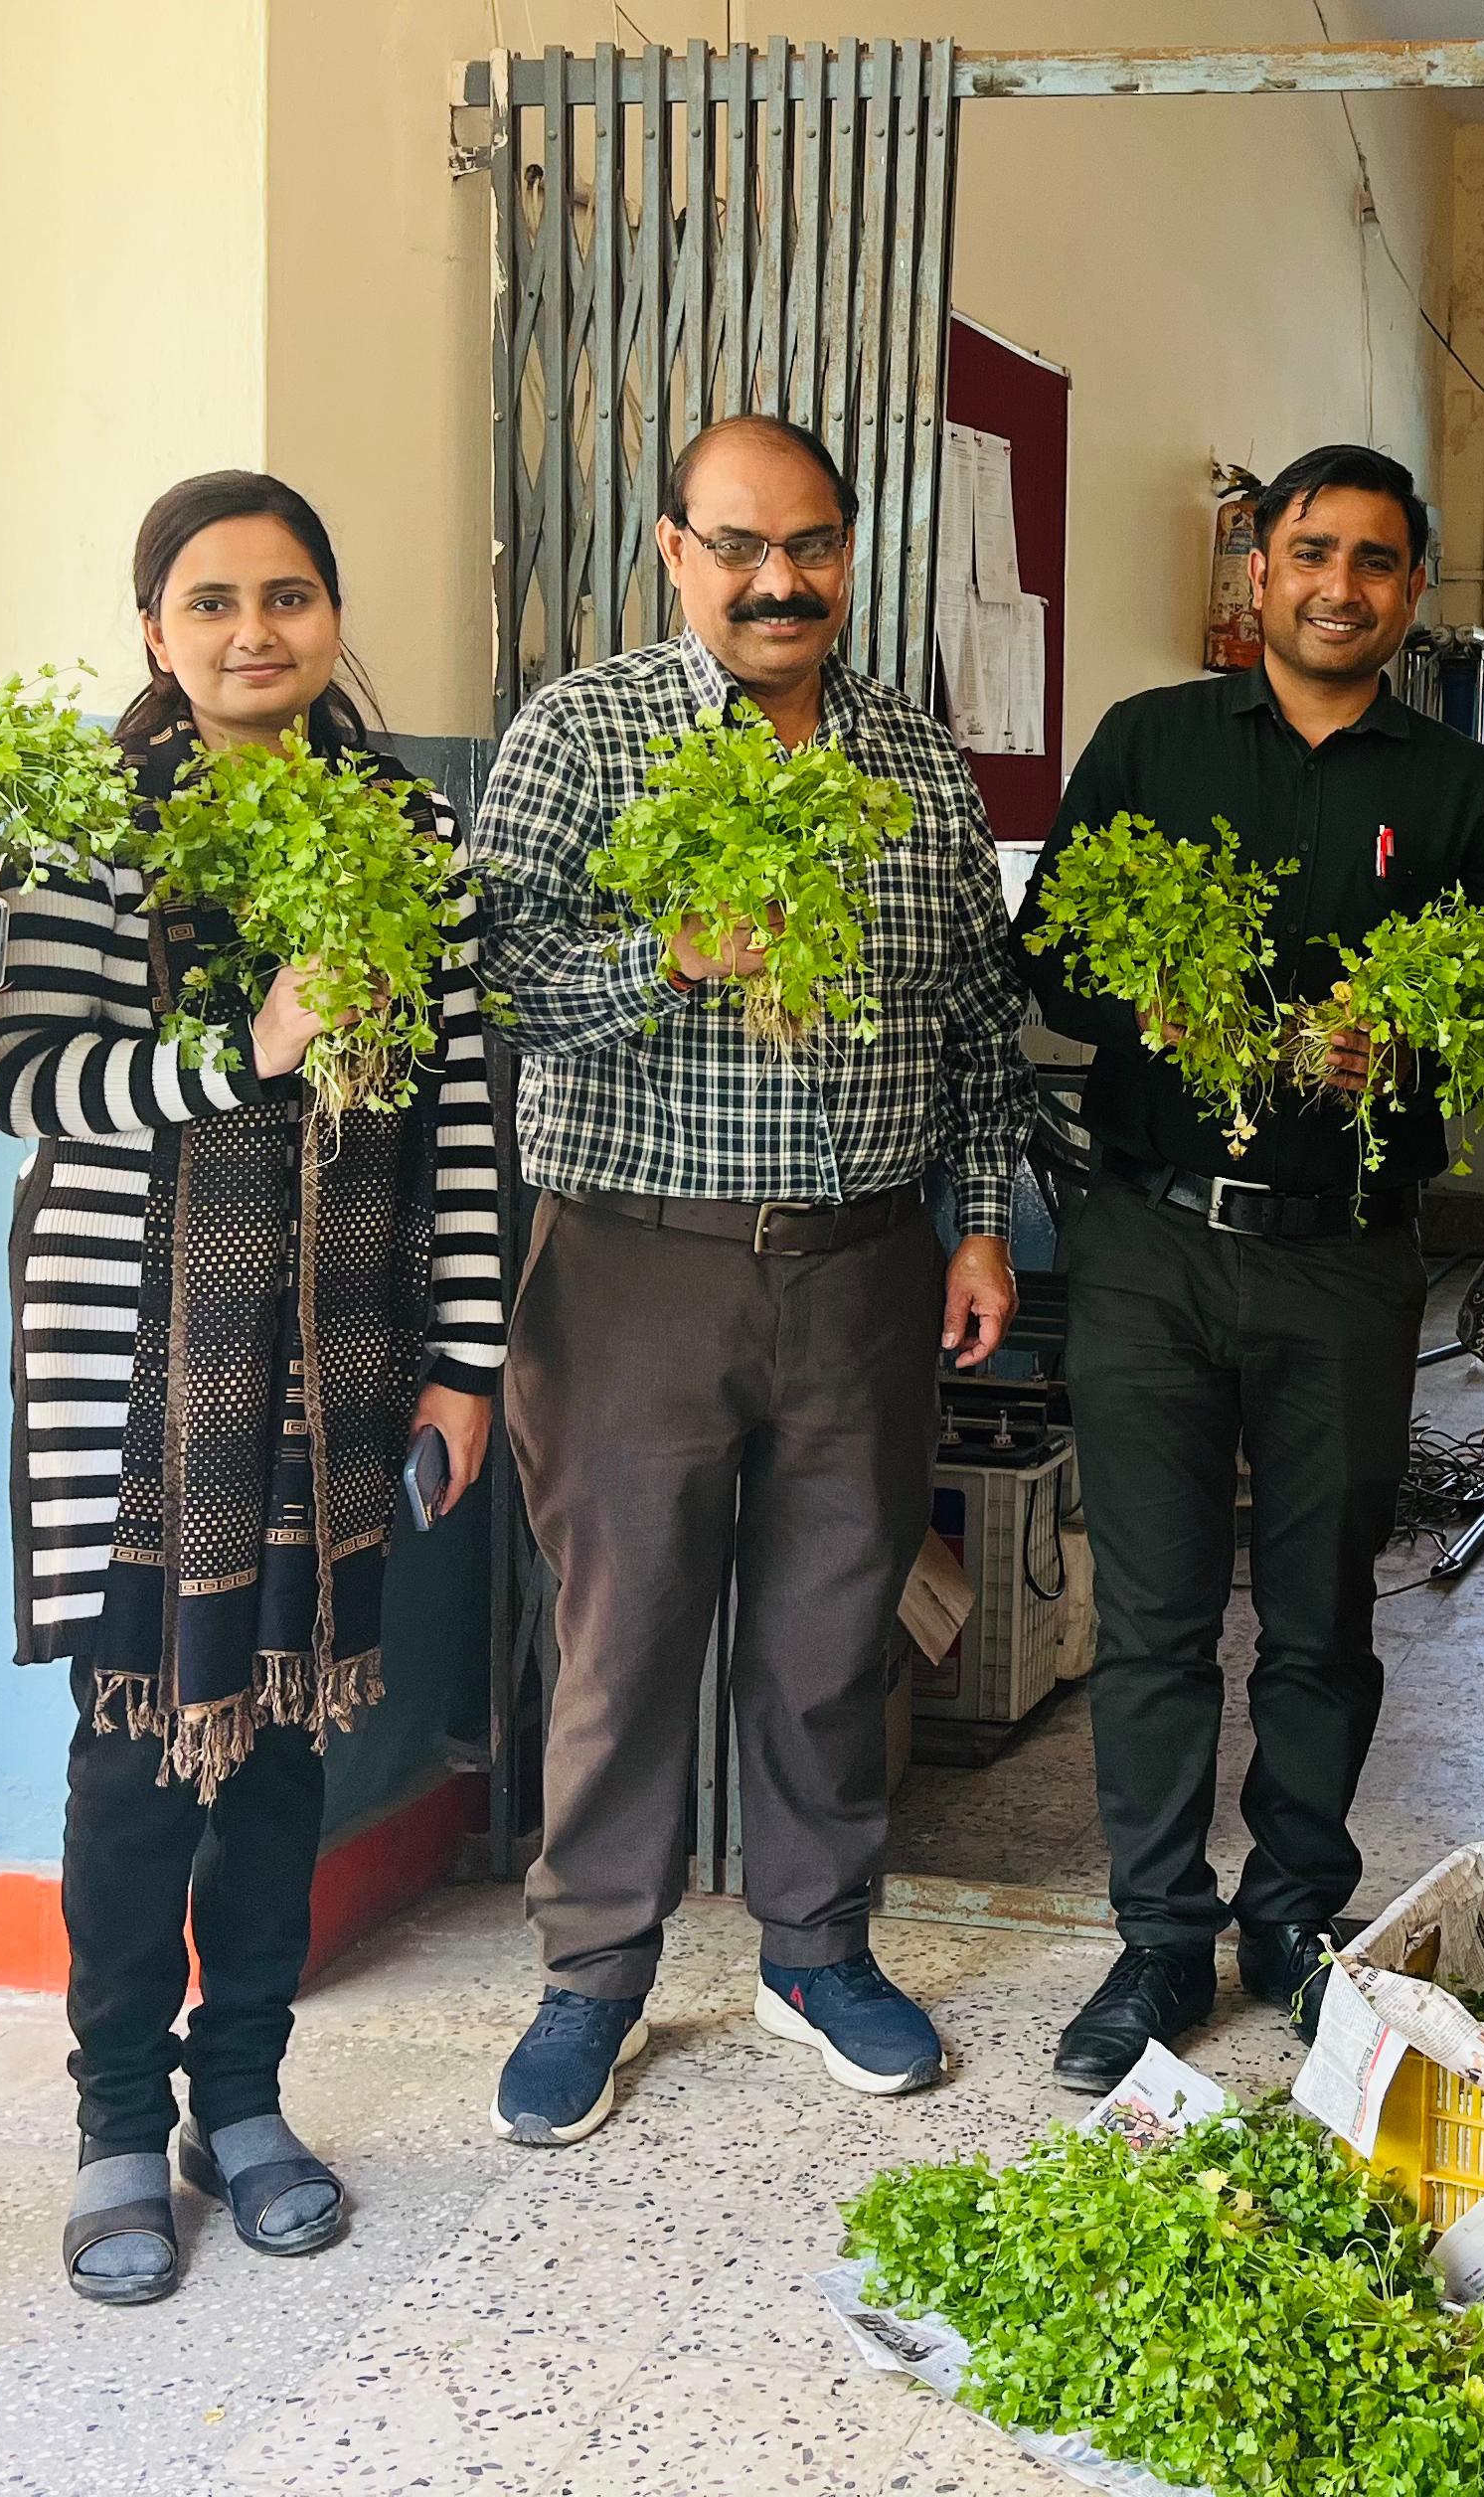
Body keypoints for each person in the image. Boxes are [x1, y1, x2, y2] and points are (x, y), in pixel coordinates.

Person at [470, 413, 1034, 2143]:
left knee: (831, 1627)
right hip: (635, 1258)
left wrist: (984, 1214)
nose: (779, 580)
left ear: (853, 555)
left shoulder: (918, 761)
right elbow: (486, 979)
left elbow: (974, 1019)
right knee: (622, 1634)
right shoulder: (588, 732)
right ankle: (593, 1978)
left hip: (864, 1264)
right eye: (739, 547)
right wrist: (679, 954)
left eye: (810, 546)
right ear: (672, 551)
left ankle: (815, 1949)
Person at [0, 473, 506, 2301]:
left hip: (342, 1360)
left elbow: (452, 1128)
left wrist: (467, 1361)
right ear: (155, 632)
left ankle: (249, 2099)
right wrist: (249, 1047)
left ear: (334, 618)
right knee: (136, 1762)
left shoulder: (407, 836)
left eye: (289, 595)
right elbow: (42, 1085)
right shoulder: (85, 833)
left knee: (289, 1745)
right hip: (133, 1375)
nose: (253, 630)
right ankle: (116, 2123)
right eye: (209, 602)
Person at [1024, 444, 1484, 2093]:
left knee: (1324, 1611)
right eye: (1311, 551)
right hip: (1148, 1244)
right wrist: (1135, 1005)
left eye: (1378, 561)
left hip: (1344, 1258)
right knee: (1163, 1612)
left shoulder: (1463, 792)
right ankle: (1161, 1938)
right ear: (1257, 571)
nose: (1340, 585)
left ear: (1410, 592)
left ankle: (1297, 1919)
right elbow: (1049, 947)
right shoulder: (1150, 740)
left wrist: (1405, 1036)